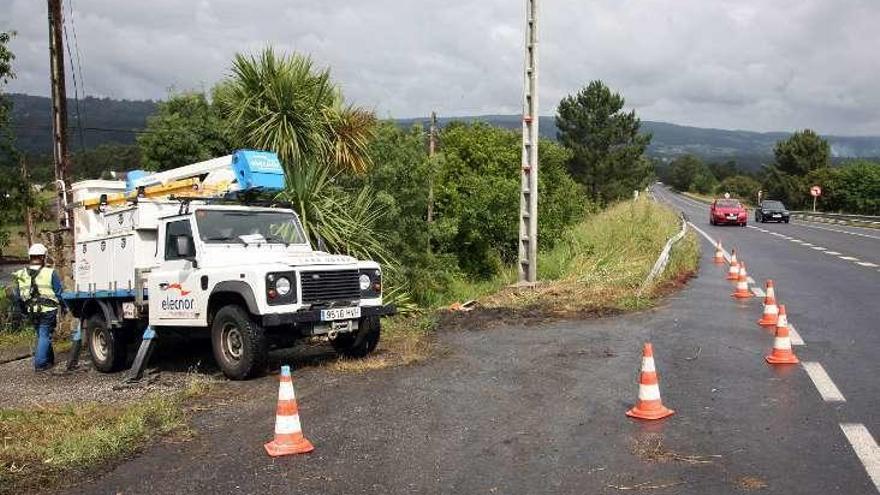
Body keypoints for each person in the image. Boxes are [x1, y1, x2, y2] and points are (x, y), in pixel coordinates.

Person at [11, 243, 66, 371]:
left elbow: (17, 297)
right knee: (44, 334)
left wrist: (23, 311)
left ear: (30, 257)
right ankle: (40, 363)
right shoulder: (50, 273)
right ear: (43, 257)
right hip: (48, 310)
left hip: (31, 310)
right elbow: (59, 293)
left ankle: (49, 360)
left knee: (42, 334)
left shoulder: (21, 274)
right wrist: (64, 307)